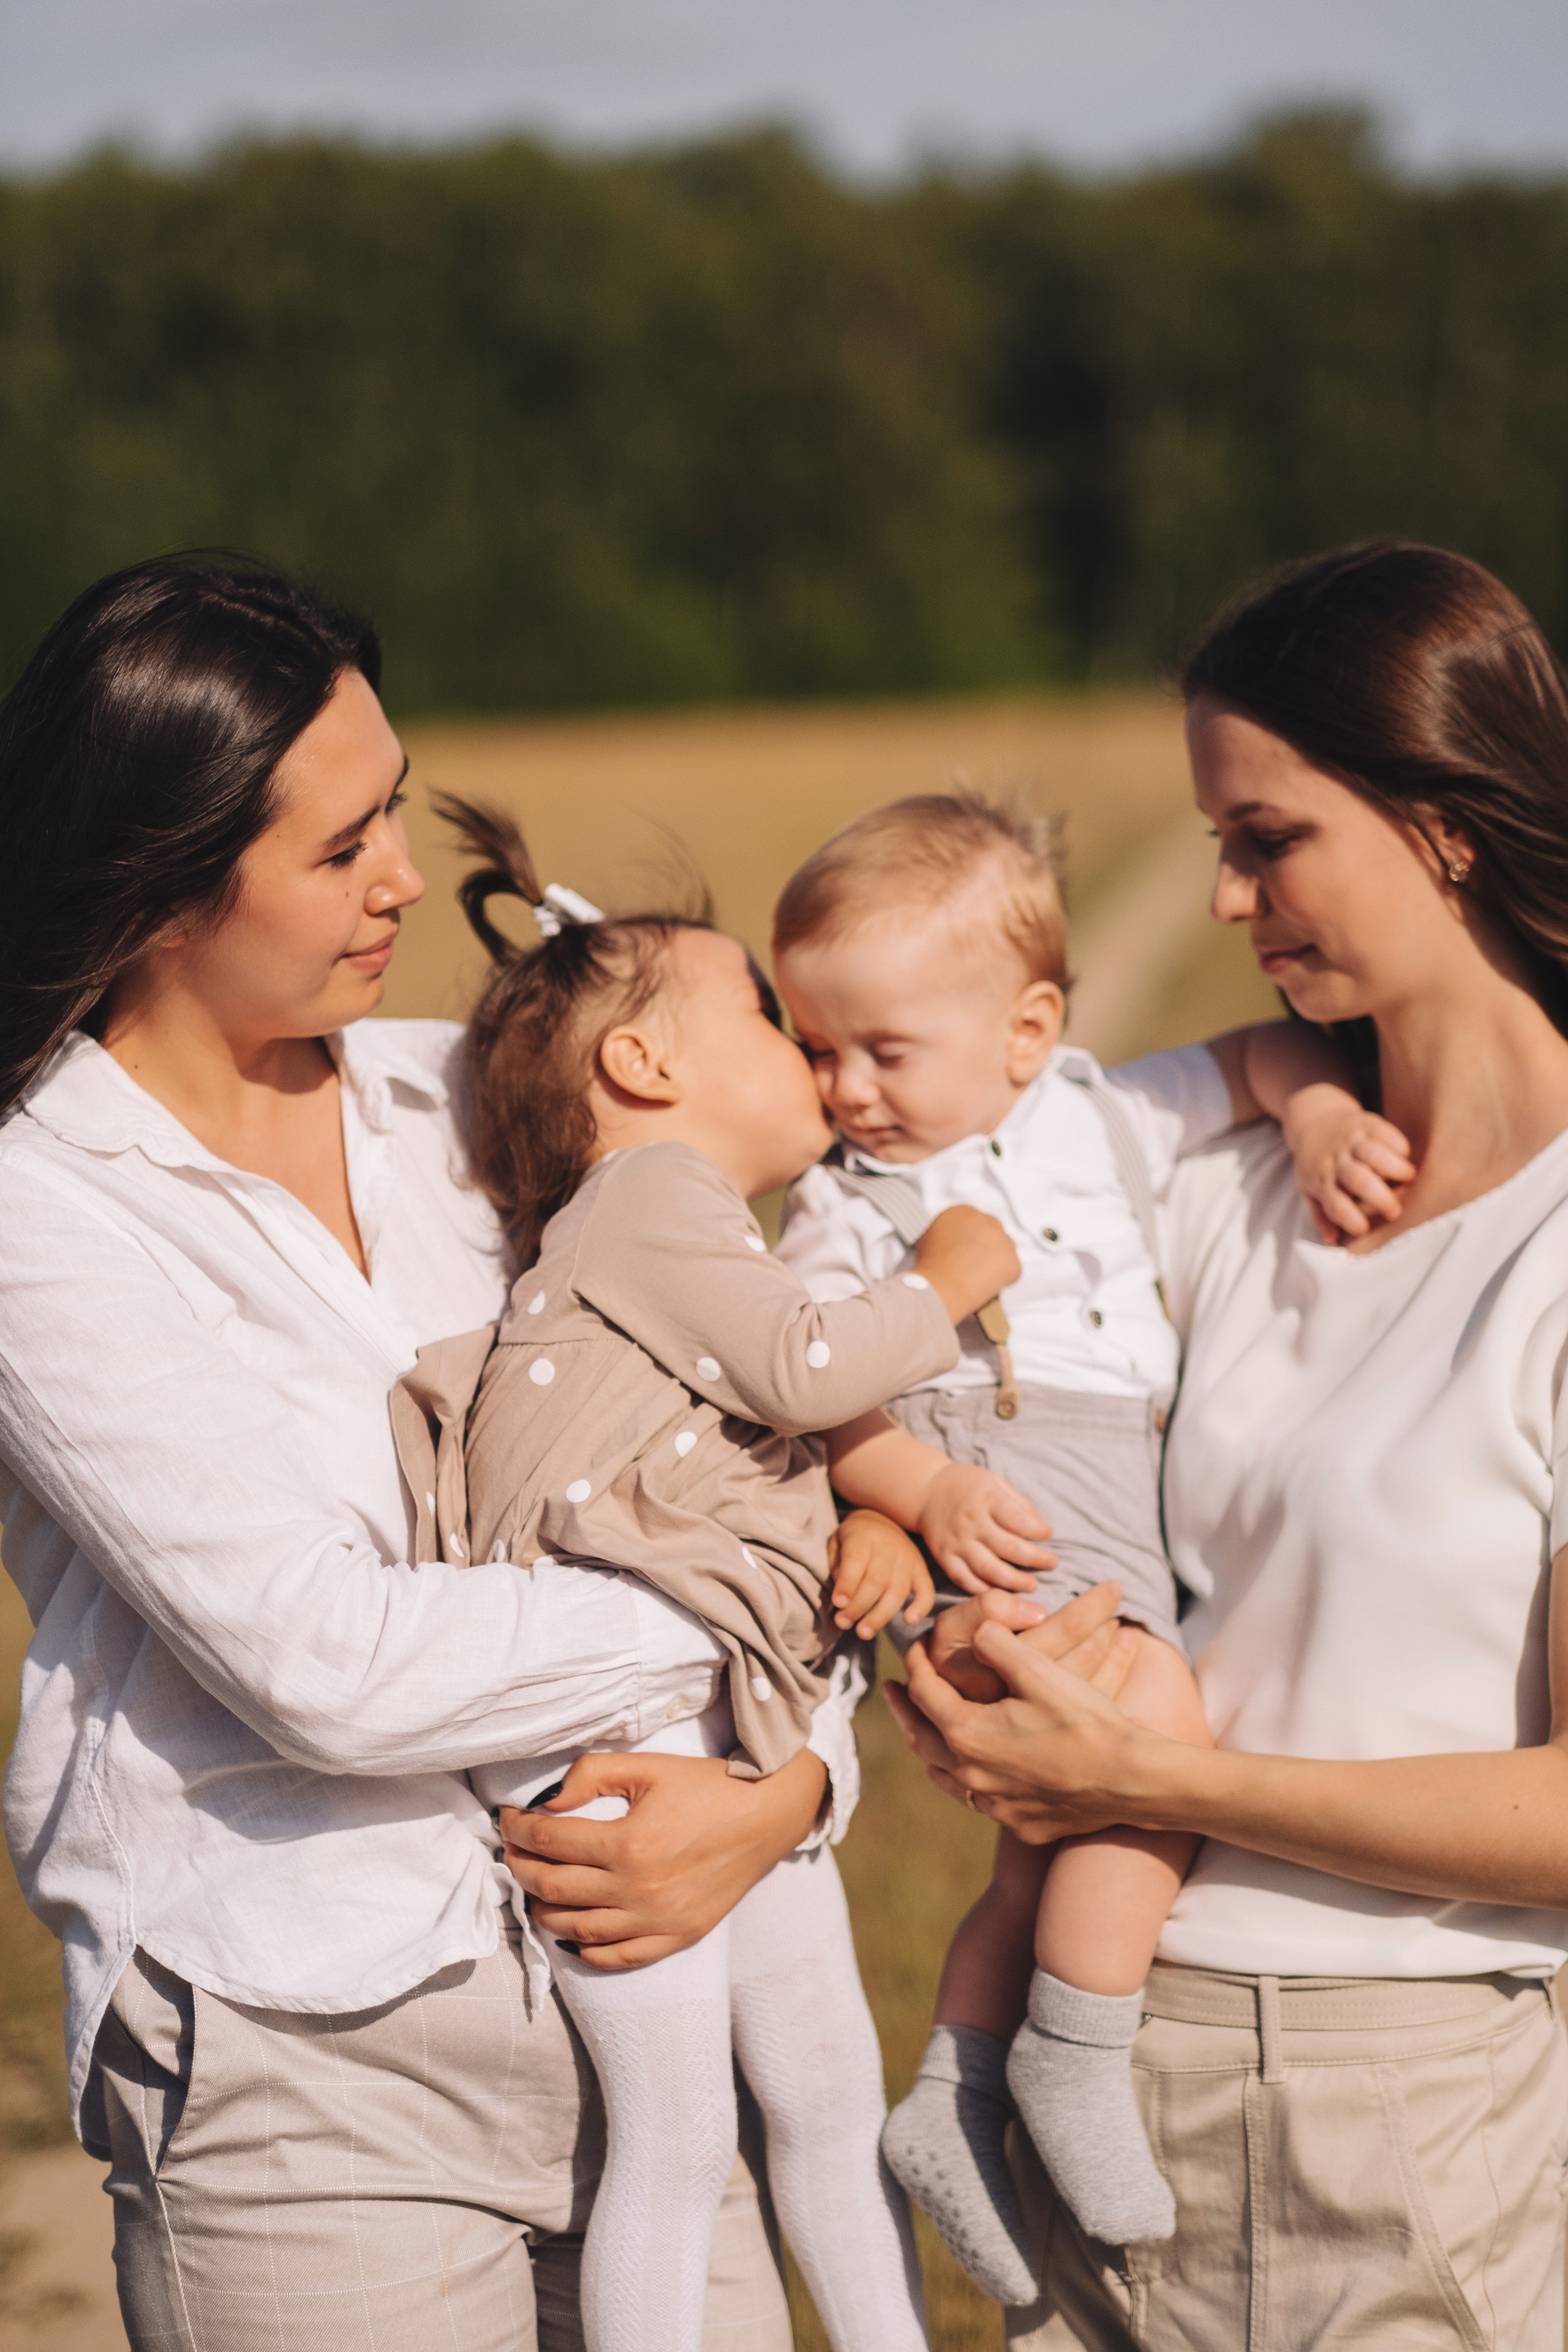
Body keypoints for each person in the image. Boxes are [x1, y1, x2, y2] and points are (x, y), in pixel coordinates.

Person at [0, 552, 967, 2352]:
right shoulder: (41, 1210)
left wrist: (789, 1794)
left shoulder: (470, 1102)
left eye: (391, 811)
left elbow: (762, 1436)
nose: (395, 883)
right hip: (313, 2056)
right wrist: (750, 1630)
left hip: (664, 1985)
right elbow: (331, 1665)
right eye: (336, 846)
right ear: (161, 885)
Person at [887, 541, 1568, 2351]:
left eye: (1269, 839)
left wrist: (1171, 1787)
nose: (1223, 893)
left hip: (1417, 2131)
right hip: (1102, 2078)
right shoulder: (1217, 1184)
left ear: (1444, 821)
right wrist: (967, 1674)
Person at [386, 799, 1029, 2352]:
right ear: (645, 1068)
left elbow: (756, 1463)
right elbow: (808, 1370)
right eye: (760, 1011)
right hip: (615, 1748)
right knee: (683, 2145)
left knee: (810, 2108)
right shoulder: (651, 1204)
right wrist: (945, 1273)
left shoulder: (660, 1246)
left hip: (705, 1732)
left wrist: (868, 1523)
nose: (807, 1055)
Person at [765, 793, 1401, 2284]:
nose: (845, 1089)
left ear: (1026, 1028)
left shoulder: (1093, 1112)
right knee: (1155, 1729)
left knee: (1040, 1847)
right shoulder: (842, 1202)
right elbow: (807, 1388)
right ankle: (1071, 2053)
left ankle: (956, 2092)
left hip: (1101, 1503)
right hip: (968, 1514)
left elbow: (1262, 1055)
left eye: (882, 1049)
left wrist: (1313, 1112)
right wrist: (913, 1492)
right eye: (814, 1047)